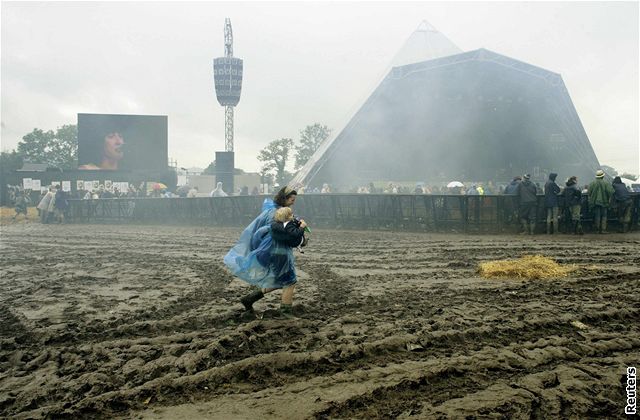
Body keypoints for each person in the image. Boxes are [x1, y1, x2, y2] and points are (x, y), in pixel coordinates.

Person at [224, 186, 303, 318]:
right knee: (290, 281)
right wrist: (298, 232)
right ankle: (285, 313)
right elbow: (282, 232)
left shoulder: (270, 211)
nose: (293, 201)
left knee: (277, 280)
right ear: (284, 198)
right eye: (291, 199)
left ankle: (250, 298)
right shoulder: (278, 213)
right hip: (279, 251)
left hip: (270, 251)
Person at [588, 169, 614, 234]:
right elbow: (611, 192)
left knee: (597, 215)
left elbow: (589, 192)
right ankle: (603, 230)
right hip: (604, 202)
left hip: (595, 202)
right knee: (604, 216)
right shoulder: (606, 183)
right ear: (603, 176)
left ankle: (597, 230)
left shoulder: (592, 183)